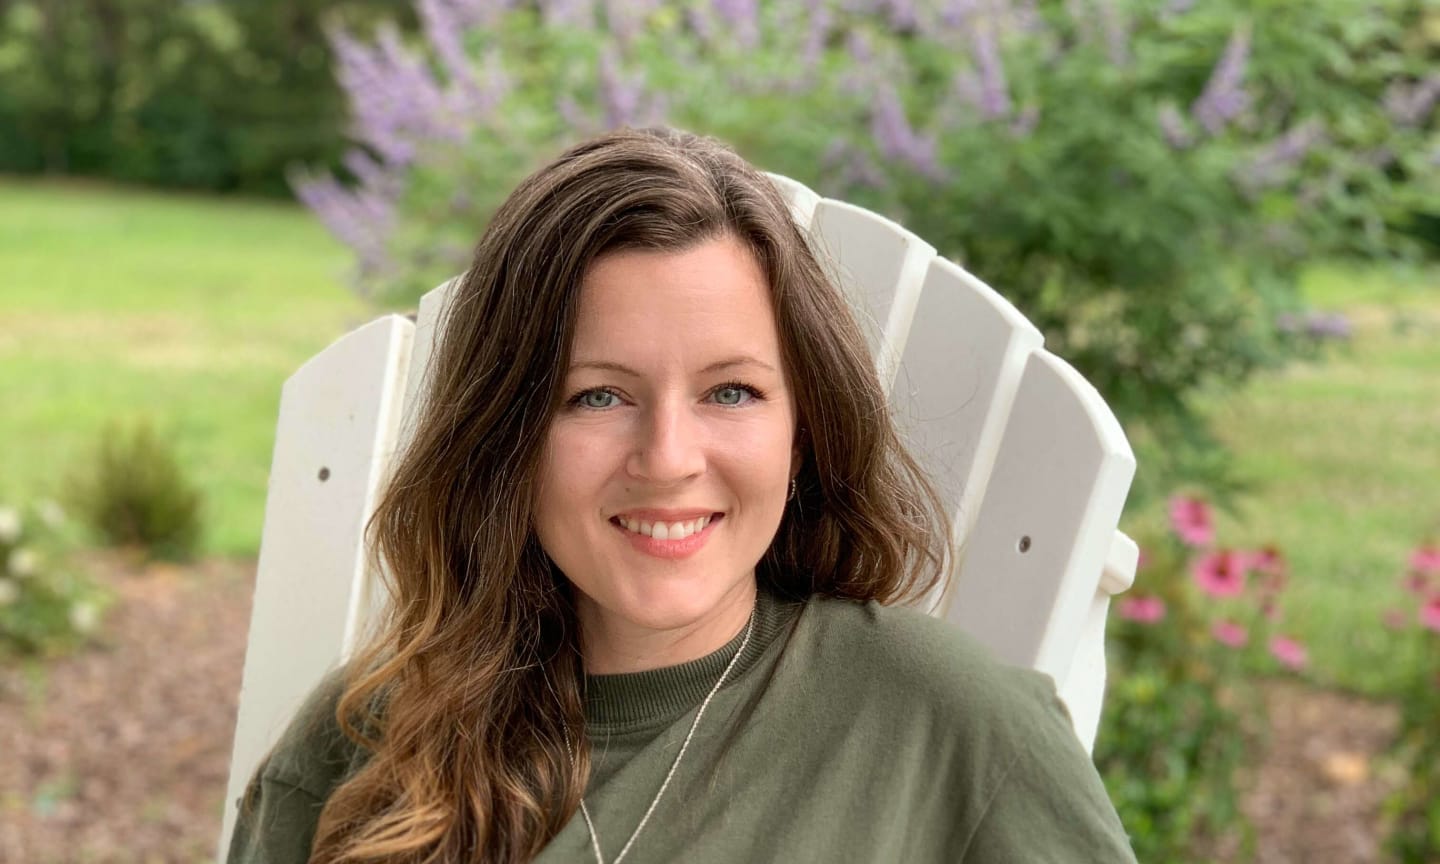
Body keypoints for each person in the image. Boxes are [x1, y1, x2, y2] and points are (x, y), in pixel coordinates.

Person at [228, 127, 1138, 863]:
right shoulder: (364, 748)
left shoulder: (952, 733)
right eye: (597, 396)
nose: (667, 459)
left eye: (730, 392)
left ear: (803, 428)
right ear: (509, 439)